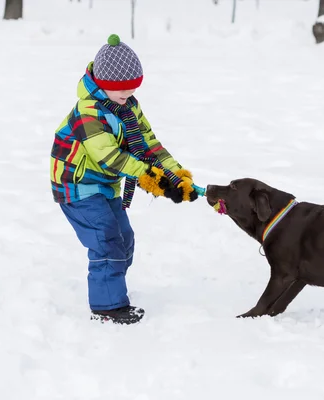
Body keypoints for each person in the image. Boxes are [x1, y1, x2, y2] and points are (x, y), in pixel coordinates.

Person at [50, 34, 199, 325]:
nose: (128, 93)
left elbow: (149, 144)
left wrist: (175, 174)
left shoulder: (128, 106)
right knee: (107, 240)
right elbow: (109, 156)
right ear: (103, 82)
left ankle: (110, 283)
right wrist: (149, 177)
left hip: (105, 184)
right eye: (121, 88)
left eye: (133, 87)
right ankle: (107, 306)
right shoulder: (88, 111)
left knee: (124, 239)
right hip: (77, 186)